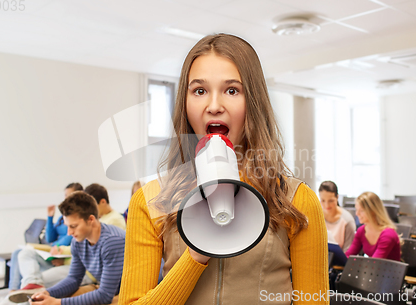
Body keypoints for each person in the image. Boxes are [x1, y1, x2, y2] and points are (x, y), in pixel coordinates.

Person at [118, 34, 329, 305]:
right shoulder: (150, 202)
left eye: (232, 90)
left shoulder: (296, 200)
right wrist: (195, 255)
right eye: (199, 91)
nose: (214, 106)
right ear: (185, 102)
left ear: (253, 103)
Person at [24, 191, 125, 305]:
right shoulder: (78, 242)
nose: (69, 232)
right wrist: (48, 293)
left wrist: (57, 302)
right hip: (105, 290)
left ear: (91, 220)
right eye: (68, 226)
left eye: (73, 226)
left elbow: (105, 296)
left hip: (126, 295)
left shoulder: (112, 241)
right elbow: (74, 279)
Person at [8, 183, 82, 295]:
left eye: (69, 195)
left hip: (61, 252)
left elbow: (70, 237)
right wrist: (50, 217)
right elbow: (50, 237)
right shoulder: (63, 217)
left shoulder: (78, 217)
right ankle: (13, 291)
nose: (66, 198)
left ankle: (22, 291)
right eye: (65, 195)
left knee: (27, 266)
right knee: (18, 253)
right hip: (53, 249)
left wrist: (56, 247)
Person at [345, 191, 401, 261]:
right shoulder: (361, 231)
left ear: (373, 211)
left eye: (361, 211)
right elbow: (348, 256)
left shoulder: (388, 234)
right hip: (374, 270)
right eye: (357, 210)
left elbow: (374, 263)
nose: (357, 213)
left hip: (387, 271)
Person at [319, 181, 356, 252]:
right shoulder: (317, 217)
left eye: (331, 201)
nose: (327, 205)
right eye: (323, 200)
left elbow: (347, 253)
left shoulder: (347, 221)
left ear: (337, 197)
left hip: (339, 262)